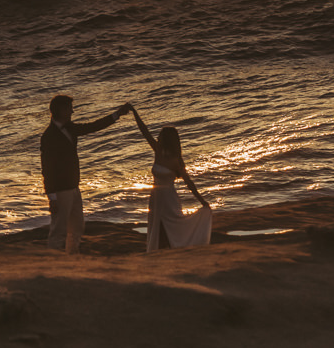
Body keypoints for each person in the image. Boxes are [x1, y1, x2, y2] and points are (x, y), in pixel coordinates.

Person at [41, 94, 131, 253]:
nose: (72, 112)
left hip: (74, 186)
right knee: (59, 229)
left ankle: (72, 255)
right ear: (61, 110)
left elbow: (93, 127)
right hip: (60, 190)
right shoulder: (49, 136)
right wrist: (52, 197)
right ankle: (54, 258)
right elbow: (47, 168)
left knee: (77, 226)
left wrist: (117, 115)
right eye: (69, 109)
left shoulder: (70, 128)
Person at [129, 106, 212, 253]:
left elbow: (189, 183)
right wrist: (134, 112)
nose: (158, 138)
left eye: (160, 136)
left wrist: (202, 201)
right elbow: (144, 132)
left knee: (171, 227)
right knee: (157, 227)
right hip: (156, 197)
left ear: (167, 140)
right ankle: (161, 252)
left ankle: (173, 251)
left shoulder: (176, 161)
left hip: (169, 199)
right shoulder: (158, 151)